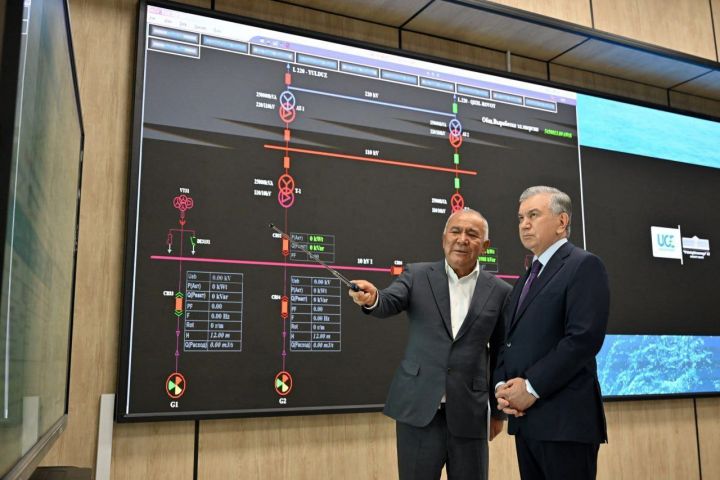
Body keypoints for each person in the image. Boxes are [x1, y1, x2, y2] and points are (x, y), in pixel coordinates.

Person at [348, 208, 511, 480]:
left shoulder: (501, 291)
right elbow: (388, 301)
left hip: (470, 414)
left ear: (485, 246)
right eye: (455, 231)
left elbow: (501, 354)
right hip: (418, 410)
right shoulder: (417, 275)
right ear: (444, 238)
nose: (462, 239)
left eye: (472, 234)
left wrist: (497, 413)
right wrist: (373, 298)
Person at [493, 186, 609, 480]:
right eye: (520, 218)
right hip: (526, 422)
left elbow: (583, 339)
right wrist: (502, 388)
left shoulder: (584, 265)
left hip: (565, 423)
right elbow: (509, 340)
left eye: (533, 215)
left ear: (561, 221)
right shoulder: (526, 278)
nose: (524, 224)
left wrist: (531, 387)